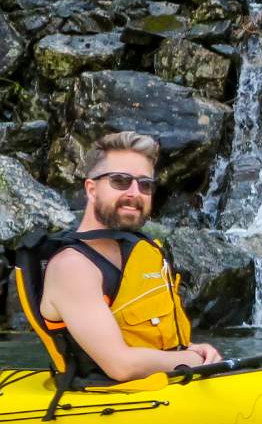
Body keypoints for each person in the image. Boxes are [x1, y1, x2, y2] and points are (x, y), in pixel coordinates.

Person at [14, 131, 221, 383]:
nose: (135, 193)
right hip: (101, 399)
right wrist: (195, 360)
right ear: (91, 190)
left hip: (161, 388)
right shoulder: (73, 267)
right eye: (120, 181)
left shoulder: (137, 250)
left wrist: (190, 350)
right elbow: (121, 366)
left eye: (145, 184)